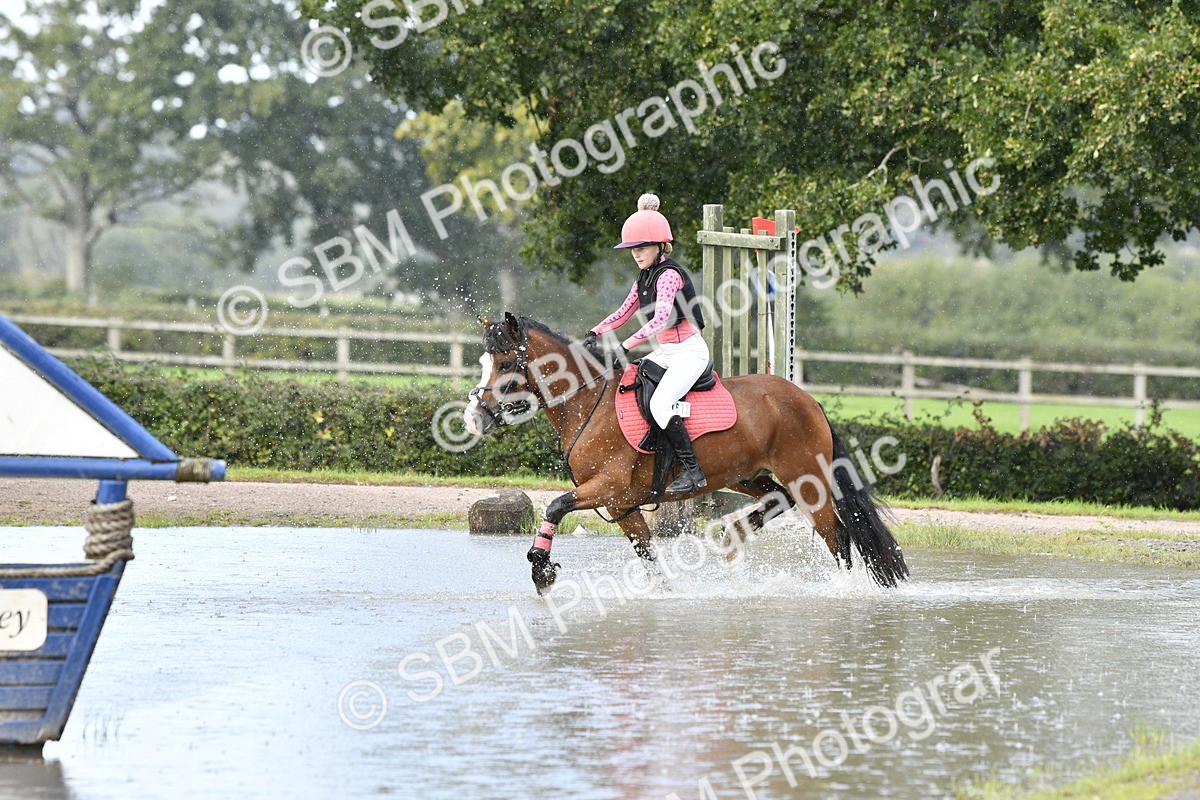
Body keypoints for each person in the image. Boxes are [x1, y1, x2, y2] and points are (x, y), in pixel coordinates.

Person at [585, 193, 710, 494]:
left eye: (642, 248)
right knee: (633, 382)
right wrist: (595, 332)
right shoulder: (644, 277)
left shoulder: (668, 276)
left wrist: (625, 346)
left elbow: (660, 321)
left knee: (660, 403)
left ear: (660, 246)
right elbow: (624, 311)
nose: (637, 254)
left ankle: (694, 472)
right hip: (667, 352)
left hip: (689, 354)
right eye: (633, 249)